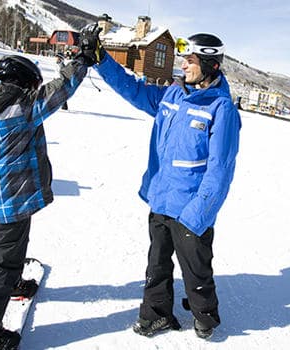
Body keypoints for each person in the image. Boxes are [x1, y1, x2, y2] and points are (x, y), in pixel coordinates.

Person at [79, 25, 241, 339]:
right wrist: (100, 59)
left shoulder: (221, 110)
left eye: (191, 60)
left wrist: (197, 215)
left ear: (211, 66)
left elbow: (220, 172)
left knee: (196, 271)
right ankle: (157, 316)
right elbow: (134, 89)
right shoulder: (172, 95)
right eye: (185, 58)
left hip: (191, 209)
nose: (184, 64)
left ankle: (205, 318)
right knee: (157, 266)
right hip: (161, 198)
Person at [0, 52, 93, 350]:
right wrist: (82, 59)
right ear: (23, 83)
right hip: (13, 198)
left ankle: (14, 280)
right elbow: (63, 86)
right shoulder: (24, 108)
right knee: (2, 264)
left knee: (11, 246)